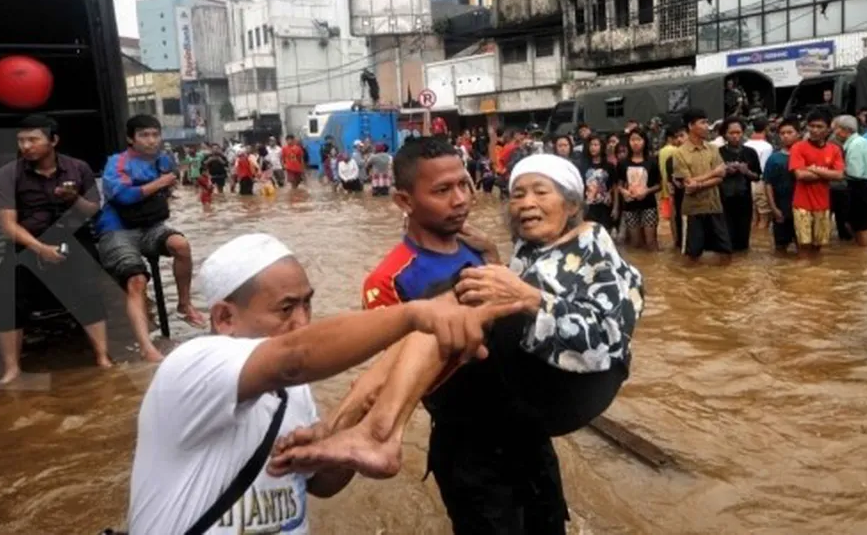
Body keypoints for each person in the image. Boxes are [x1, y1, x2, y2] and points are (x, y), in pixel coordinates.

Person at [269, 150, 644, 535]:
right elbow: (404, 379)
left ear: (571, 204)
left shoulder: (484, 255)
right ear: (404, 201)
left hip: (528, 437)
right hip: (471, 448)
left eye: (464, 185)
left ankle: (360, 432)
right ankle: (350, 430)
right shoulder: (390, 278)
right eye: (443, 190)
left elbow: (537, 321)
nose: (461, 199)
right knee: (441, 308)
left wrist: (500, 282)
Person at [128, 232, 525, 535]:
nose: (303, 321)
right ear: (224, 318)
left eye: (307, 303)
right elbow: (296, 355)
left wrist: (345, 449)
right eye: (286, 308)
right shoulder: (191, 368)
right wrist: (414, 315)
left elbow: (319, 486)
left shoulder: (293, 392)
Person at [0, 115, 110, 384]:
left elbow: (92, 210)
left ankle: (102, 357)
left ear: (53, 141)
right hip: (27, 240)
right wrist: (40, 248)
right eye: (21, 140)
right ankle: (12, 369)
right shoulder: (8, 174)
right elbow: (8, 226)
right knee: (8, 297)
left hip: (73, 237)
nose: (26, 146)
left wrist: (74, 198)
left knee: (89, 291)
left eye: (33, 139)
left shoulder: (78, 169)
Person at [96, 114, 206, 362]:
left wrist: (164, 184)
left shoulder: (163, 160)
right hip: (117, 230)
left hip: (151, 226)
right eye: (144, 135)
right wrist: (159, 183)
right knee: (136, 280)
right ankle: (147, 346)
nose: (151, 140)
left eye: (155, 135)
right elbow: (122, 196)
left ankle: (184, 304)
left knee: (181, 245)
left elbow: (169, 188)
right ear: (130, 139)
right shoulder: (118, 162)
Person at [671, 108, 732, 262]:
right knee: (692, 256)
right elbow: (688, 184)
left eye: (707, 122)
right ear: (691, 126)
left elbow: (721, 176)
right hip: (693, 210)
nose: (707, 126)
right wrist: (713, 173)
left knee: (726, 252)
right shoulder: (679, 153)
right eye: (703, 122)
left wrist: (698, 182)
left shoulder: (712, 149)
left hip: (714, 206)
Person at [788, 108, 845, 255]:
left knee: (819, 247)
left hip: (823, 204)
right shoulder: (798, 147)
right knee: (803, 247)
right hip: (801, 204)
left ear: (828, 130)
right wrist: (827, 173)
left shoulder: (834, 149)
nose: (814, 130)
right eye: (812, 126)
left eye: (819, 127)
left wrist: (814, 169)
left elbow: (839, 175)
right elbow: (800, 175)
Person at [718, 117, 762, 252]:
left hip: (744, 201)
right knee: (726, 239)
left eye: (738, 132)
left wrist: (746, 171)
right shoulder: (718, 152)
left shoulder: (750, 152)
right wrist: (725, 171)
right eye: (731, 133)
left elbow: (757, 177)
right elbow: (712, 175)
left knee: (743, 240)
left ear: (743, 133)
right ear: (725, 134)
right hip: (723, 201)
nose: (735, 136)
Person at [834, 115, 867, 247]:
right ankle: (858, 251)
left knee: (860, 225)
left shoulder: (854, 145)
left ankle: (861, 252)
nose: (835, 133)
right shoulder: (863, 141)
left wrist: (835, 171)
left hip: (860, 187)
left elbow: (855, 172)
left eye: (836, 129)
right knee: (858, 222)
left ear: (844, 130)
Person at [618, 128, 662, 250]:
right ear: (629, 142)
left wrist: (647, 191)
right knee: (635, 243)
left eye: (638, 139)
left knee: (651, 241)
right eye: (632, 139)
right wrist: (624, 192)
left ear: (644, 141)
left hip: (649, 205)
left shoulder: (652, 162)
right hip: (630, 206)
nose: (635, 143)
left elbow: (659, 185)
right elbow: (619, 184)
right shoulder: (623, 163)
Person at [764, 118, 800, 253]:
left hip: (802, 208)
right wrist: (773, 208)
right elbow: (768, 184)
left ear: (798, 134)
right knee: (780, 248)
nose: (785, 136)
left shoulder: (804, 155)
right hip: (781, 207)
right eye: (782, 133)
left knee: (803, 245)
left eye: (789, 132)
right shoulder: (774, 158)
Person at [658, 124, 687, 249]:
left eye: (682, 136)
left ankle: (676, 243)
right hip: (677, 197)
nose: (679, 140)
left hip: (668, 193)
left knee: (671, 219)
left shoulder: (663, 152)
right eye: (677, 137)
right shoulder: (673, 156)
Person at [580, 136, 617, 230]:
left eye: (596, 145)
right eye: (591, 145)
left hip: (605, 207)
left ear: (602, 147)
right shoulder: (583, 166)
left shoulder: (609, 166)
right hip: (588, 207)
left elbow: (615, 186)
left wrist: (616, 207)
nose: (593, 147)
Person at [745, 117, 775, 230]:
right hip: (760, 182)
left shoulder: (746, 144)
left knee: (753, 218)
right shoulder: (767, 146)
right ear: (766, 128)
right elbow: (764, 167)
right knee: (764, 218)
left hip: (747, 182)